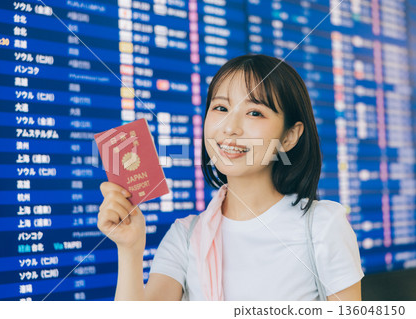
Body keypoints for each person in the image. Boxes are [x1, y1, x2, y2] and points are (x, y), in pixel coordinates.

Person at [97, 54, 365, 301]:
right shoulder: (185, 236)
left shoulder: (322, 227)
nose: (230, 127)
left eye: (254, 112)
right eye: (221, 108)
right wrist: (130, 249)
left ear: (289, 136)